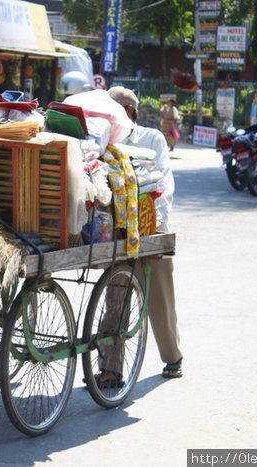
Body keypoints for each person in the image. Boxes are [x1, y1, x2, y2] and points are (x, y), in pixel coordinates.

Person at [107, 85, 183, 379]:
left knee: (160, 298)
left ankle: (172, 356)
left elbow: (163, 182)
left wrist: (153, 226)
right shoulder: (104, 139)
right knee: (116, 295)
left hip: (151, 226)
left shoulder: (151, 138)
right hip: (117, 228)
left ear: (127, 112)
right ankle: (110, 368)